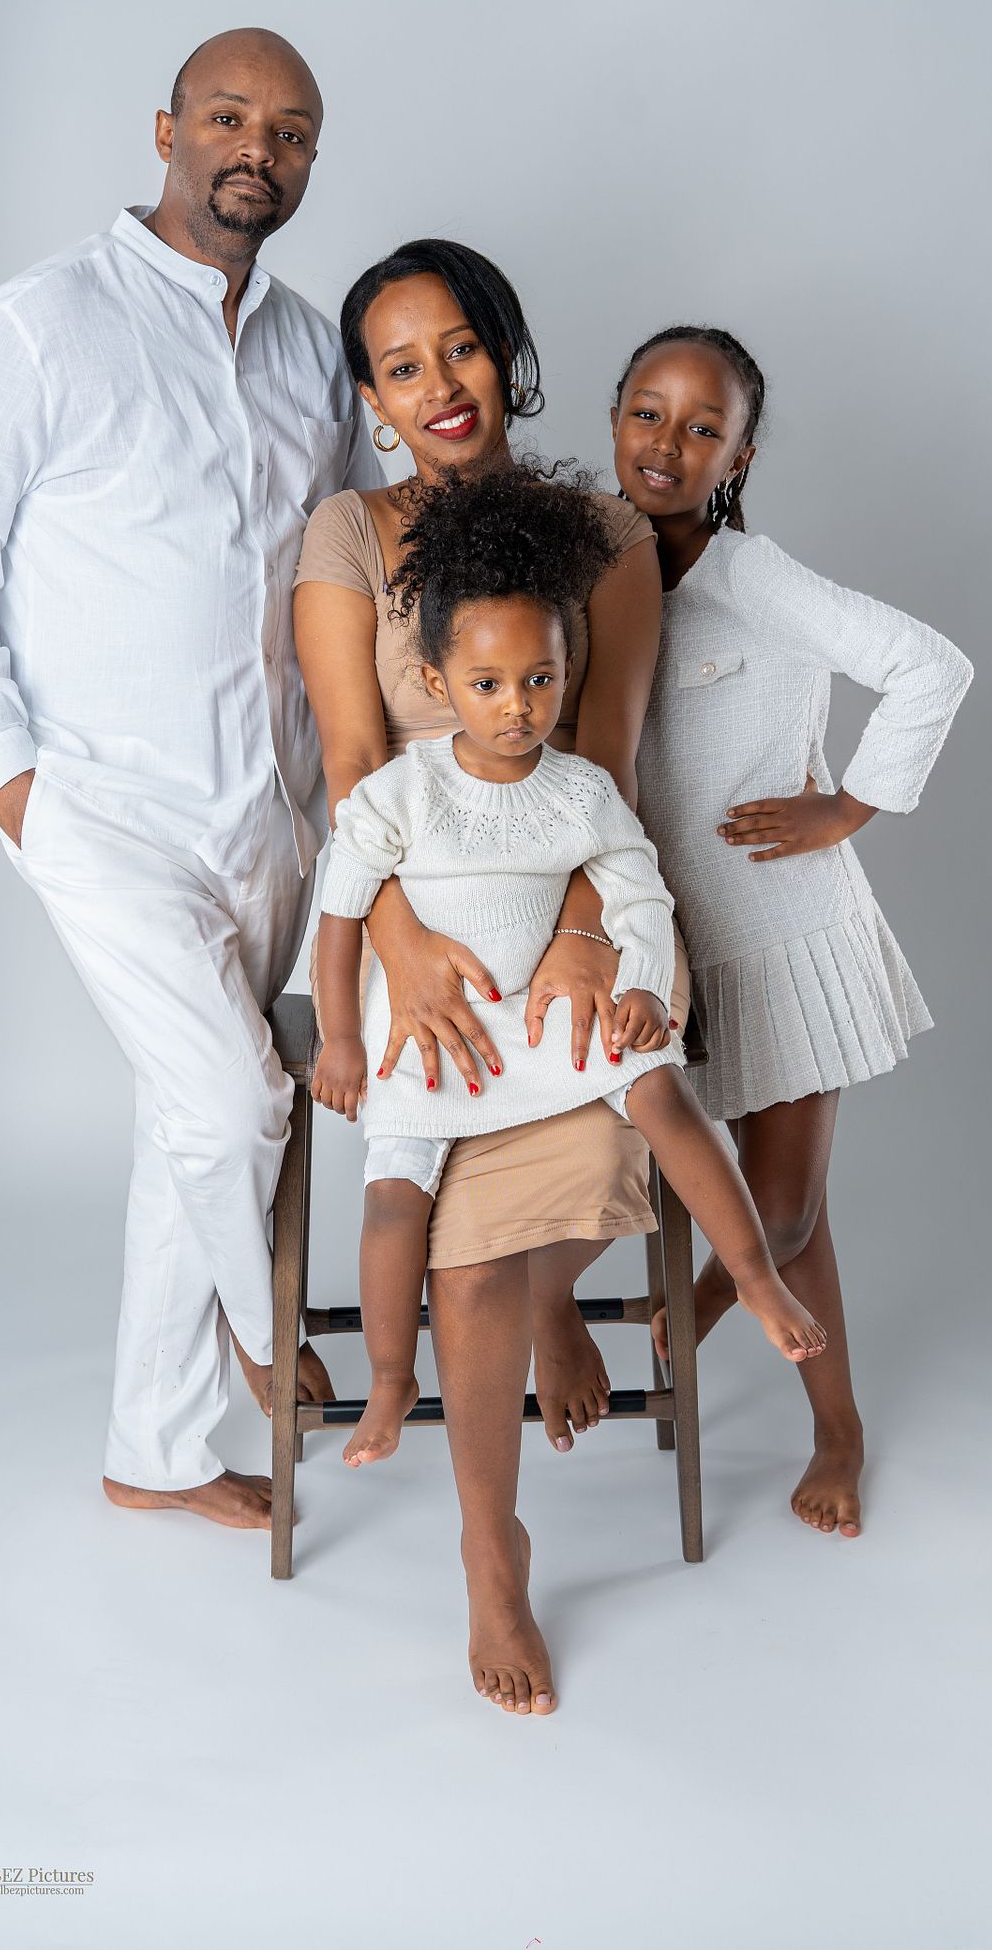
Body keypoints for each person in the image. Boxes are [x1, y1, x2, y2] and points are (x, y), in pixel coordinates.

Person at [0, 29, 378, 1530]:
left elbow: (348, 563)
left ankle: (154, 1453)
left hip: (272, 810)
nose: (260, 149)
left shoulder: (313, 348)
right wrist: (9, 781)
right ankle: (261, 1328)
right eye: (231, 117)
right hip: (98, 805)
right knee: (238, 1101)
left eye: (291, 132)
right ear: (166, 126)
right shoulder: (40, 324)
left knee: (193, 1118)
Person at [312, 466, 826, 1493]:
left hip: (542, 1014)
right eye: (490, 686)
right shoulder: (402, 791)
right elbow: (341, 915)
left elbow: (639, 896)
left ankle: (756, 1275)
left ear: (565, 672)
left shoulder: (581, 789)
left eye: (541, 681)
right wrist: (336, 1037)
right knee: (390, 1205)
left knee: (658, 1085)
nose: (517, 709)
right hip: (437, 1030)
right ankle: (383, 1375)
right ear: (440, 679)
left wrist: (638, 982)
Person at [293, 237, 690, 1456]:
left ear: (504, 351)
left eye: (461, 347)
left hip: (577, 893)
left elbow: (609, 772)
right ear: (372, 401)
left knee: (598, 1082)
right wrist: (399, 949)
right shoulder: (349, 535)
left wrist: (582, 937)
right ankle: (496, 1518)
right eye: (402, 368)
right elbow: (353, 770)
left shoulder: (608, 535)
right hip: (402, 915)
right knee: (434, 1169)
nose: (441, 386)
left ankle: (543, 1293)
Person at [614, 325, 973, 1539]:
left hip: (786, 933)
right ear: (615, 418)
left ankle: (816, 1412)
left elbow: (931, 666)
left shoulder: (748, 577)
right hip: (670, 942)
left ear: (740, 455)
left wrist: (851, 805)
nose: (669, 443)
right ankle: (788, 1372)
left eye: (703, 427)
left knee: (786, 1218)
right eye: (648, 412)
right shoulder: (599, 572)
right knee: (776, 1209)